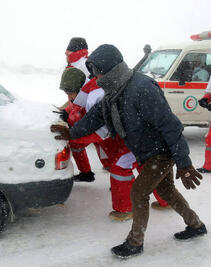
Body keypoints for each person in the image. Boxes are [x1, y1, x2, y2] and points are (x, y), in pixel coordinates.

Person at [51, 44, 206, 258]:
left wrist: (184, 163)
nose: (96, 77)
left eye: (98, 71)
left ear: (110, 69)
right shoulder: (113, 92)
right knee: (166, 191)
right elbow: (95, 117)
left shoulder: (142, 88)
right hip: (146, 151)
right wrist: (72, 133)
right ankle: (196, 225)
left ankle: (135, 242)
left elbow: (170, 126)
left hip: (160, 151)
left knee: (139, 192)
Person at [59, 67, 168, 221]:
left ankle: (126, 209)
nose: (69, 97)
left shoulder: (95, 96)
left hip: (136, 137)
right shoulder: (87, 92)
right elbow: (76, 108)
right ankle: (166, 199)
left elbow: (99, 132)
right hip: (132, 135)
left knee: (121, 169)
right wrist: (67, 116)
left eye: (70, 93)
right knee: (145, 168)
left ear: (78, 88)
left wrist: (72, 137)